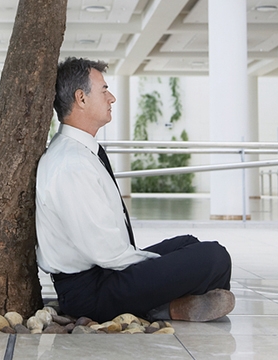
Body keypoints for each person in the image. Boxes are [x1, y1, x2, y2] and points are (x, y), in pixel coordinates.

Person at [35, 57, 235, 323]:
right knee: (215, 257)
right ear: (81, 99)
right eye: (104, 90)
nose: (112, 98)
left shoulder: (79, 151)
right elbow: (107, 253)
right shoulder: (71, 164)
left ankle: (169, 302)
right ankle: (164, 308)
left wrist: (165, 266)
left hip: (104, 275)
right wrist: (159, 268)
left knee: (188, 244)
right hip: (92, 293)